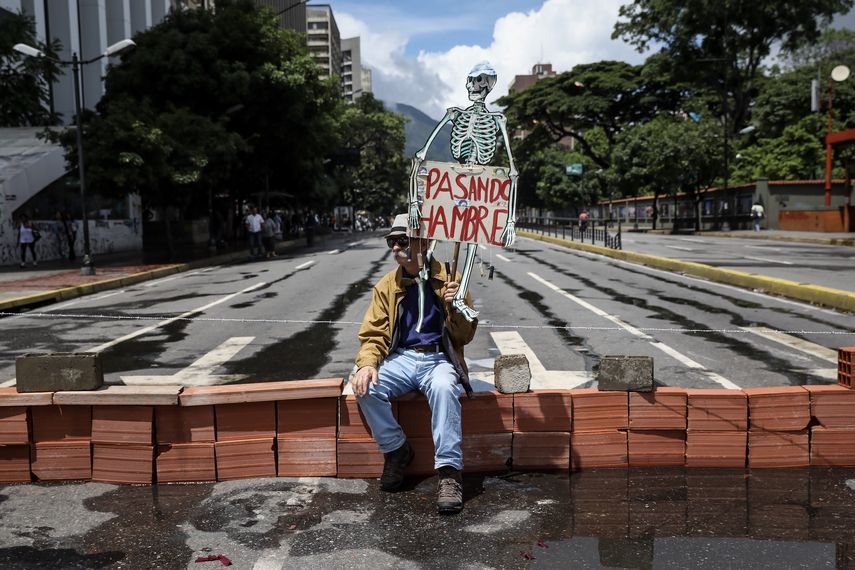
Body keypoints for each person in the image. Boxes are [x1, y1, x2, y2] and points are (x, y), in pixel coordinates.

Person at [352, 213, 478, 514]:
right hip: (403, 358)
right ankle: (397, 450)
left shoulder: (450, 278)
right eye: (391, 242)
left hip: (438, 358)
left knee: (446, 388)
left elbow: (466, 334)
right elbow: (374, 334)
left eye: (402, 241)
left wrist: (454, 305)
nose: (395, 248)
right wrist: (368, 364)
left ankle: (449, 472)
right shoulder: (386, 286)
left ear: (423, 242)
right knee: (365, 385)